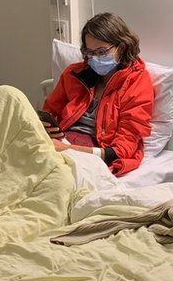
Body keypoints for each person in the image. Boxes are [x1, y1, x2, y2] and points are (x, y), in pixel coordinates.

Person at [42, 13, 154, 176]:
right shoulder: (74, 74)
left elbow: (123, 150)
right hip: (59, 141)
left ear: (121, 48)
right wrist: (45, 128)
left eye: (101, 52)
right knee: (8, 96)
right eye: (90, 53)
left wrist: (68, 150)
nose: (94, 59)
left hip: (92, 153)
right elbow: (49, 112)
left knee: (55, 177)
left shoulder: (137, 83)